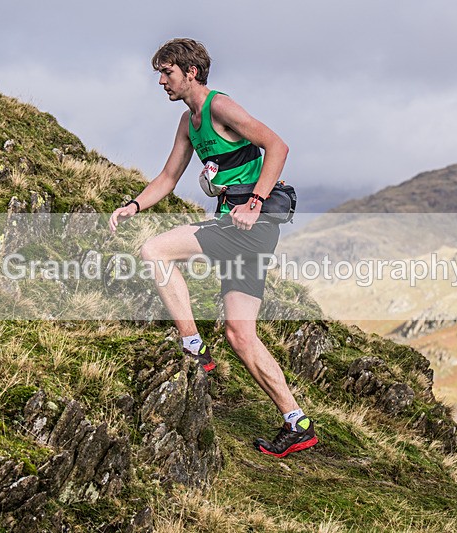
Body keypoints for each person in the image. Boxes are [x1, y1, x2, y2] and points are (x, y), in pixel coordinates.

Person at [108, 38, 317, 458]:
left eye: (167, 72)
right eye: (159, 74)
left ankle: (192, 346)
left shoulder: (220, 107)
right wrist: (133, 204)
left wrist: (254, 203)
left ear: (191, 72)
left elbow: (277, 146)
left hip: (248, 225)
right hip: (240, 227)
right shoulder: (188, 124)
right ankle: (298, 423)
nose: (162, 81)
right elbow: (168, 178)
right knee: (241, 335)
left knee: (155, 251)